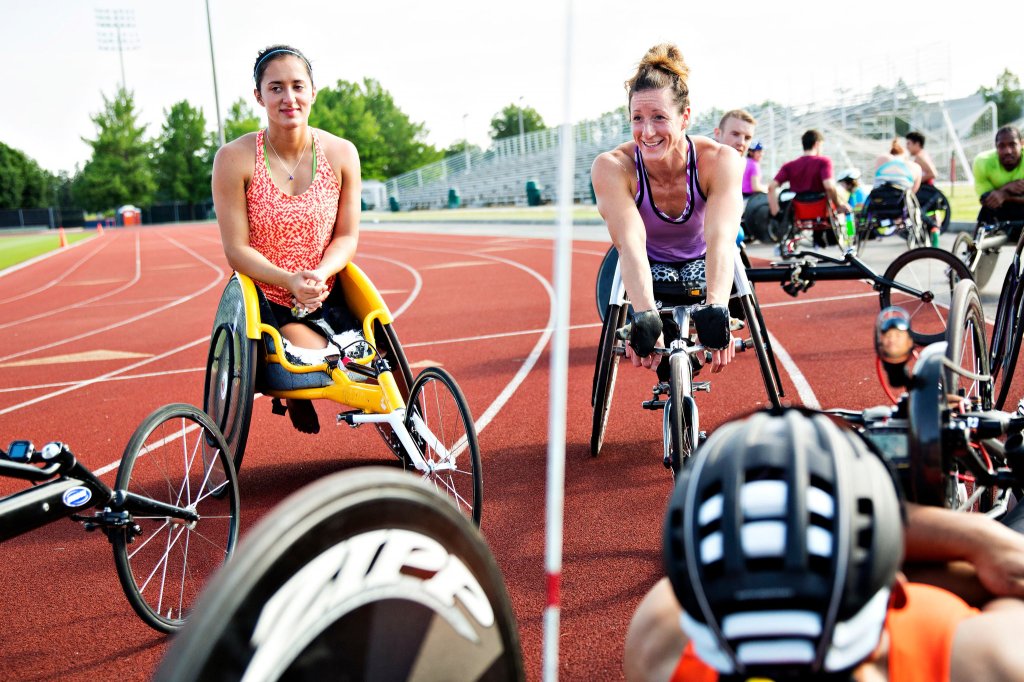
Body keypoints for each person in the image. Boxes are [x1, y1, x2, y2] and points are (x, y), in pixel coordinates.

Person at [624, 408, 1024, 682]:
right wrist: (976, 538)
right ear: (896, 593)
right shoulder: (981, 658)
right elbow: (1010, 569)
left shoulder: (658, 649)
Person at [212, 45, 364, 434]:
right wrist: (289, 281)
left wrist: (318, 274)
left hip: (327, 288)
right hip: (270, 296)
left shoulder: (342, 153)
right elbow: (236, 250)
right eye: (276, 88)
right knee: (314, 361)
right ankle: (295, 393)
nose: (288, 98)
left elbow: (346, 237)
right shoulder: (235, 158)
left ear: (313, 91)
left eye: (298, 86)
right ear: (259, 96)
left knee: (371, 363)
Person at [592, 44, 744, 376]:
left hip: (703, 260)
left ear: (685, 116)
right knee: (663, 355)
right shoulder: (612, 167)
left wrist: (716, 305)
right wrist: (645, 313)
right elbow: (629, 245)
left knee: (717, 320)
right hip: (650, 264)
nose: (647, 132)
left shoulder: (718, 161)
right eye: (637, 118)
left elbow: (721, 240)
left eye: (659, 118)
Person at [766, 129, 850, 219]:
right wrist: (838, 205)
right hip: (822, 212)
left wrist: (776, 213)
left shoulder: (789, 166)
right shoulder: (823, 162)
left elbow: (771, 187)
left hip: (799, 213)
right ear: (817, 144)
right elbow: (829, 186)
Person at [972, 125, 1024, 227]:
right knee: (986, 209)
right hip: (999, 208)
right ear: (996, 147)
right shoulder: (982, 161)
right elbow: (985, 199)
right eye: (1002, 146)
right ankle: (976, 242)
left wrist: (1004, 195)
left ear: (1022, 144)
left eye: (1012, 145)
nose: (1007, 151)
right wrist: (1008, 188)